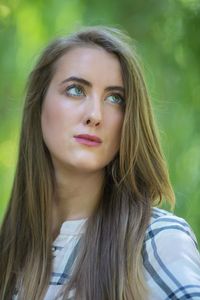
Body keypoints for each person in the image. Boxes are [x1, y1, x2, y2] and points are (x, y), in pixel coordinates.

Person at [0, 26, 200, 300]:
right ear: (38, 105)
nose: (95, 115)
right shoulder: (10, 253)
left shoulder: (155, 241)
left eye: (115, 98)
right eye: (75, 90)